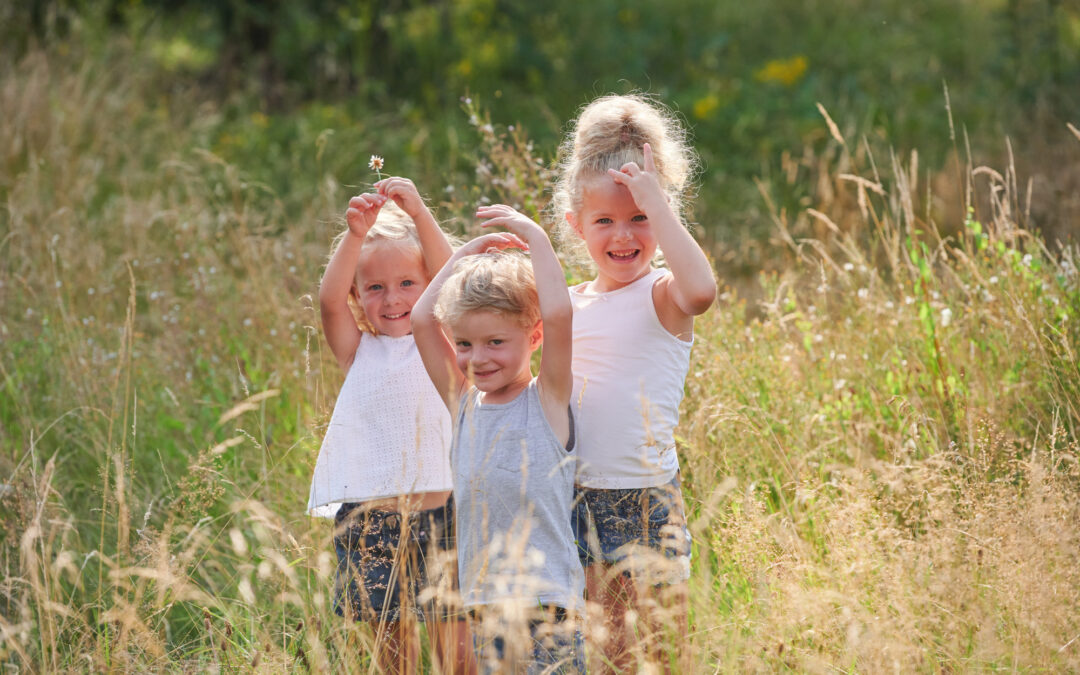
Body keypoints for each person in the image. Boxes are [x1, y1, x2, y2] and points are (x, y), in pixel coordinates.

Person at [551, 94, 718, 673]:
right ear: (576, 225)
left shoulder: (664, 294)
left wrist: (657, 202)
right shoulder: (569, 304)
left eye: (639, 219)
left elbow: (703, 291)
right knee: (603, 651)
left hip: (644, 499)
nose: (623, 235)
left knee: (657, 653)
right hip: (574, 496)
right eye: (605, 221)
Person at [307, 177, 473, 674]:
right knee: (389, 651)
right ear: (360, 296)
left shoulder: (444, 340)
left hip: (446, 512)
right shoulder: (359, 351)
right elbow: (329, 303)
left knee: (458, 652)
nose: (392, 298)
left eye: (407, 283)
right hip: (371, 522)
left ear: (430, 290)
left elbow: (456, 274)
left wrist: (421, 214)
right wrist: (355, 235)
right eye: (375, 288)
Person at [411, 204, 586, 674]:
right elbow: (423, 321)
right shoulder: (463, 404)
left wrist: (536, 239)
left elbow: (559, 312)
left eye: (495, 342)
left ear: (533, 337)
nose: (477, 358)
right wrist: (463, 257)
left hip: (549, 608)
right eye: (465, 344)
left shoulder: (547, 399)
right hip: (485, 608)